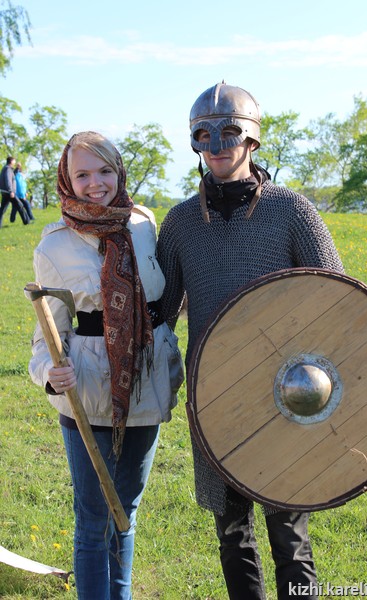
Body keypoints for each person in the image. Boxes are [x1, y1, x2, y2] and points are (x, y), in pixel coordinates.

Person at [157, 82, 345, 600]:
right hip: (214, 392)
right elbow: (160, 311)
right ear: (195, 142)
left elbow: (338, 303)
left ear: (253, 140)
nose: (217, 146)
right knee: (232, 531)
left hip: (287, 390)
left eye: (230, 133)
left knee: (290, 535)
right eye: (204, 136)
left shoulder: (292, 212)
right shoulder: (181, 223)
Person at [29, 131, 183, 600]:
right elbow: (47, 334)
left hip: (146, 383)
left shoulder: (143, 223)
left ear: (119, 172)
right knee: (94, 517)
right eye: (82, 174)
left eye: (104, 171)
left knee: (126, 512)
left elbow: (164, 297)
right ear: (67, 179)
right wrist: (49, 373)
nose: (95, 183)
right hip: (89, 391)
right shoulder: (53, 247)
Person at [0, 156, 29, 227]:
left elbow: (12, 174)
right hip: (9, 192)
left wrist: (17, 168)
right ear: (11, 161)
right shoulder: (8, 169)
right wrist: (11, 191)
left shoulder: (6, 168)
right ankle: (27, 222)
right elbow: (8, 180)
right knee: (20, 206)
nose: (15, 162)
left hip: (5, 192)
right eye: (14, 161)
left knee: (2, 210)